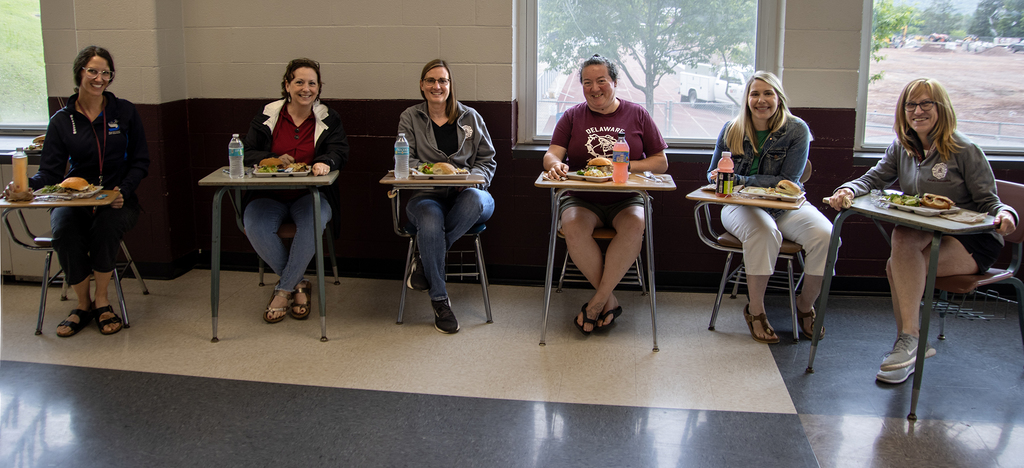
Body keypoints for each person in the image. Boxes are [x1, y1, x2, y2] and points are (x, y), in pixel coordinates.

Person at [829, 78, 1017, 384]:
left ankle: (909, 341)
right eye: (911, 104)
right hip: (926, 234)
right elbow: (872, 179)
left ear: (941, 108)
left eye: (926, 103)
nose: (918, 111)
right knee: (902, 238)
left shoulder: (965, 149)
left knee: (897, 267)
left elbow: (991, 202)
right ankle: (912, 341)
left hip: (972, 241)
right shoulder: (901, 148)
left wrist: (1007, 215)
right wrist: (846, 190)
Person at [8, 46, 150, 337]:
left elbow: (140, 161)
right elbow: (48, 173)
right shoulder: (62, 120)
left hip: (118, 199)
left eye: (106, 73)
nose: (99, 78)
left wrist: (122, 189)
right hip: (73, 200)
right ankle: (82, 304)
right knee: (63, 229)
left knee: (106, 227)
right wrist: (23, 187)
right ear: (80, 73)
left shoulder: (124, 112)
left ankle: (102, 300)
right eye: (93, 71)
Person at [542, 54, 669, 335]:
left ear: (614, 81)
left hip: (626, 198)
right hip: (582, 198)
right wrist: (555, 165)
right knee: (572, 225)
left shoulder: (637, 114)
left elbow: (661, 162)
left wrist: (622, 165)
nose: (594, 88)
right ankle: (608, 301)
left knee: (636, 224)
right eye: (587, 82)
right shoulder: (572, 116)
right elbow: (552, 153)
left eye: (601, 81)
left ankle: (597, 302)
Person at [707, 71, 833, 344]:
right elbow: (711, 172)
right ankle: (756, 310)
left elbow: (788, 181)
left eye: (768, 94)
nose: (761, 100)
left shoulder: (797, 129)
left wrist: (739, 179)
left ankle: (804, 305)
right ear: (747, 99)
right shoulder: (731, 128)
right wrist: (717, 177)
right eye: (755, 94)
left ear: (779, 98)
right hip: (738, 205)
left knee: (826, 234)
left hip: (784, 205)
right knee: (764, 231)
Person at [242, 58, 349, 323]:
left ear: (319, 87)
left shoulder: (328, 117)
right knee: (253, 223)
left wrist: (325, 161)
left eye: (312, 83)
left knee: (314, 220)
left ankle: (283, 292)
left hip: (309, 193)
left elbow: (340, 151)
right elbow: (248, 152)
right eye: (299, 82)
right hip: (268, 195)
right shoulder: (268, 114)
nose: (306, 88)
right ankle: (298, 283)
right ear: (287, 85)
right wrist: (273, 158)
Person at [398, 59, 496, 334]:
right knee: (428, 221)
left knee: (476, 201)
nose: (437, 86)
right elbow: (407, 160)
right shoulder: (410, 117)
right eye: (431, 80)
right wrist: (432, 171)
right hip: (427, 195)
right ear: (421, 85)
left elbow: (488, 160)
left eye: (442, 80)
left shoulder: (471, 117)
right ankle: (440, 300)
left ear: (450, 86)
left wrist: (471, 180)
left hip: (470, 196)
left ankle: (425, 264)